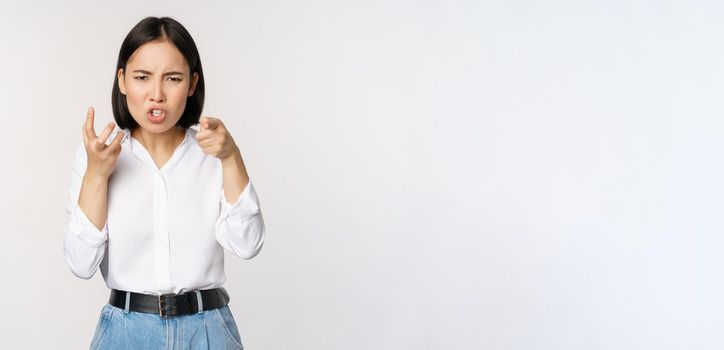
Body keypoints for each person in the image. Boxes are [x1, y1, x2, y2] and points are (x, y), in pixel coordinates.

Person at [63, 16, 265, 349]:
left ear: (192, 83)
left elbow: (248, 244)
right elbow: (81, 264)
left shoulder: (213, 151)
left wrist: (232, 158)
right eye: (142, 77)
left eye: (172, 78)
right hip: (126, 333)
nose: (156, 95)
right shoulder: (97, 156)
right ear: (123, 80)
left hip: (208, 331)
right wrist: (97, 175)